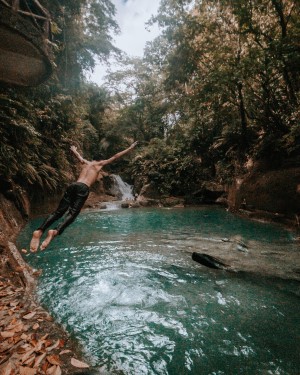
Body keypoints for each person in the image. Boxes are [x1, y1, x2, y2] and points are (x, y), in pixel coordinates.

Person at [30, 142, 138, 252]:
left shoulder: (87, 163)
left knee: (58, 212)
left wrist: (74, 150)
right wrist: (130, 148)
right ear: (100, 159)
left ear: (92, 158)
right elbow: (116, 156)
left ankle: (39, 230)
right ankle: (55, 231)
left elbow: (79, 157)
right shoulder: (100, 164)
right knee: (72, 213)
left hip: (73, 185)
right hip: (83, 188)